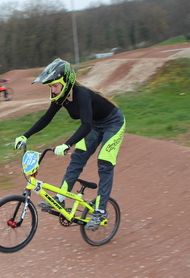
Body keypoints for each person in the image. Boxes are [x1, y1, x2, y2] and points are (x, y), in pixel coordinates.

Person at [14, 58, 125, 228]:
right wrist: (25, 136)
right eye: (50, 86)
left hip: (113, 123)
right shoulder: (61, 97)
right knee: (77, 158)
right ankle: (60, 199)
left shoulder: (82, 94)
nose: (53, 90)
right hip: (95, 126)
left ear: (67, 82)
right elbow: (46, 118)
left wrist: (67, 144)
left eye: (55, 85)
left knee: (104, 162)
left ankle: (100, 211)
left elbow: (86, 125)